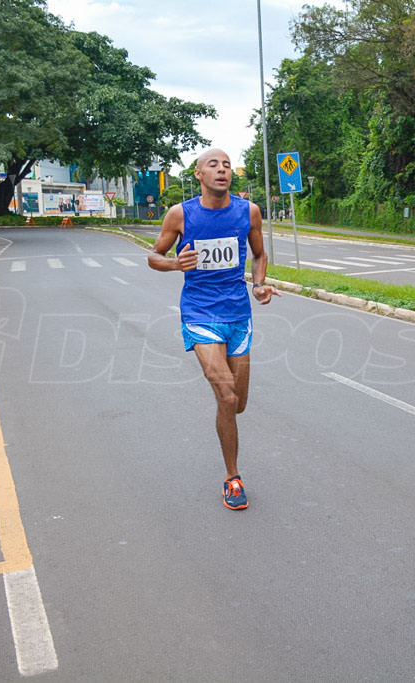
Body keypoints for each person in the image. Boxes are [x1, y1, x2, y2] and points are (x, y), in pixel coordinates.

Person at [147, 149, 280, 510]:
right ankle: (232, 477)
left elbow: (259, 254)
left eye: (226, 165)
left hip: (238, 315)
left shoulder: (248, 211)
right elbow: (153, 256)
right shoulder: (181, 214)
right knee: (226, 396)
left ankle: (226, 418)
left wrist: (259, 284)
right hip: (200, 314)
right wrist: (176, 263)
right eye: (213, 165)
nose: (221, 170)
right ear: (198, 174)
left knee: (238, 404)